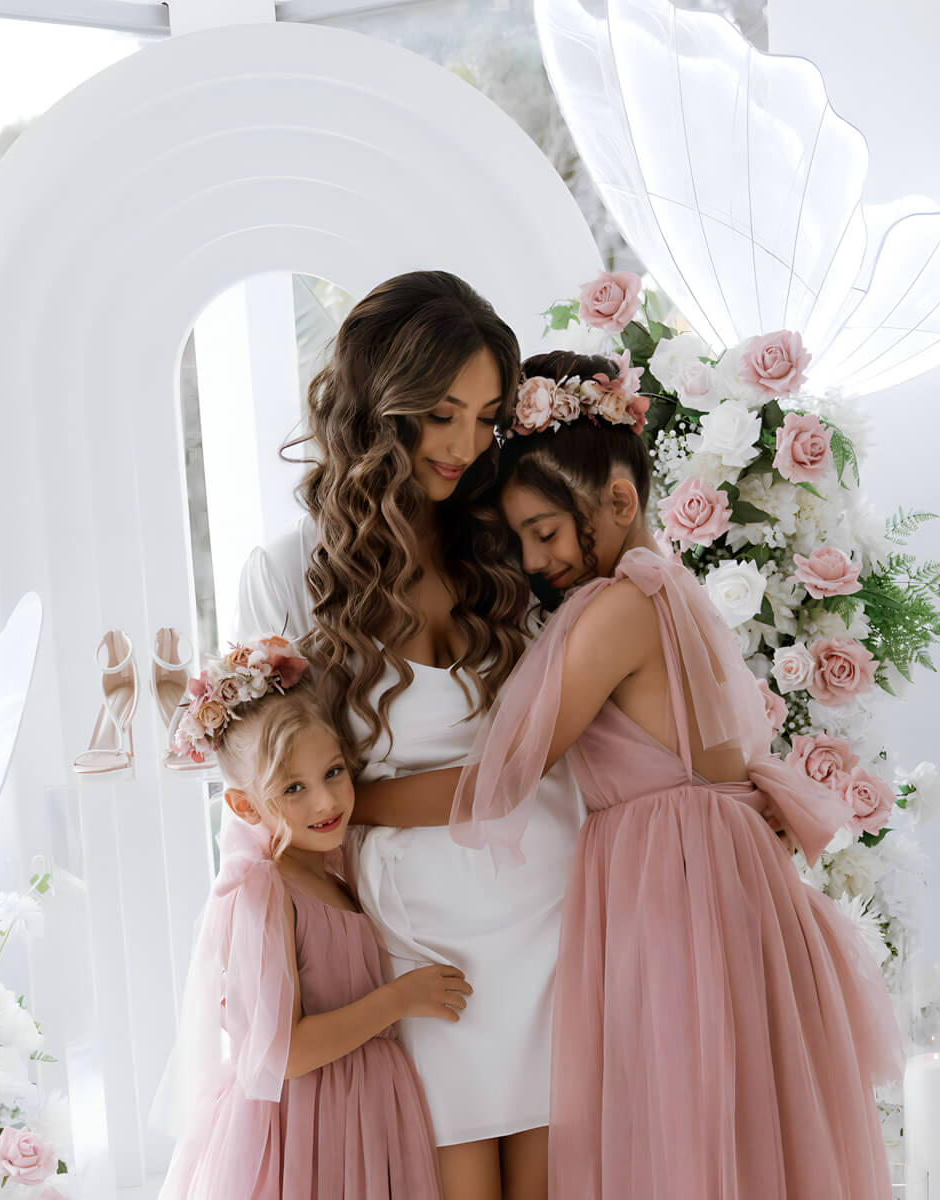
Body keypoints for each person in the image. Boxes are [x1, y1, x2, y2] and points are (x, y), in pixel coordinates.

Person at [364, 349, 903, 1199]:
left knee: (680, 1118)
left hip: (676, 886)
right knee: (723, 1119)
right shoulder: (669, 589)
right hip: (708, 868)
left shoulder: (618, 608)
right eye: (521, 540)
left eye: (543, 533)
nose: (536, 561)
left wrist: (352, 802)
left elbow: (498, 783)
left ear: (618, 501)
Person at [235, 271, 584, 1200]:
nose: (466, 447)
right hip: (416, 938)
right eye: (440, 415)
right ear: (376, 409)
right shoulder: (288, 574)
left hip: (549, 906)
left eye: (486, 417)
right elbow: (273, 783)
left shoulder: (510, 543)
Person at [157, 633, 463, 1200]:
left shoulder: (336, 869)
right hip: (312, 1127)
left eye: (334, 773)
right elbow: (285, 1054)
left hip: (364, 1113)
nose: (325, 802)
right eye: (292, 788)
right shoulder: (263, 892)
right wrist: (400, 998)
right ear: (245, 805)